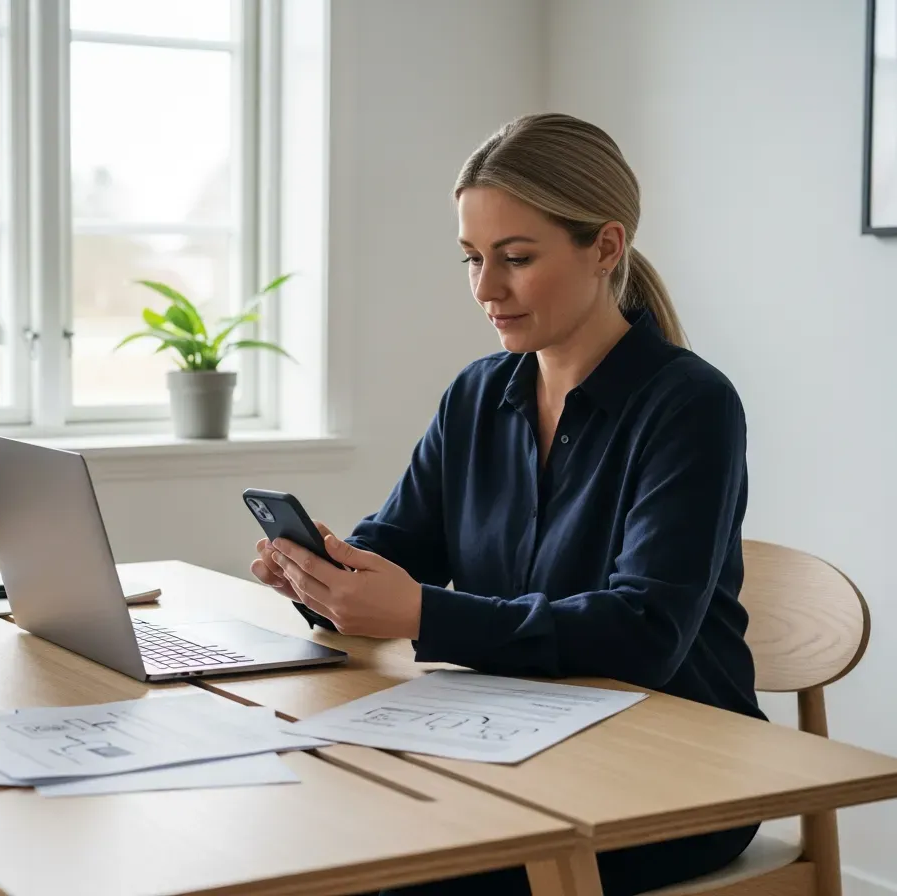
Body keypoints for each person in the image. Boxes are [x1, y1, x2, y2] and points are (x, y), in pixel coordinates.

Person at [250, 113, 763, 896]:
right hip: (515, 735)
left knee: (399, 876)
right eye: (472, 259)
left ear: (605, 247)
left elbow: (644, 633)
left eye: (516, 259)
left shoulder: (690, 404)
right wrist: (325, 578)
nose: (487, 290)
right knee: (307, 824)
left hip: (675, 774)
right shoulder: (478, 393)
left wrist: (420, 613)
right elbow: (400, 545)